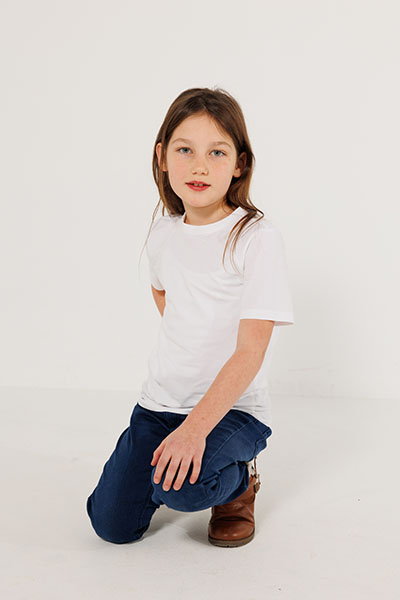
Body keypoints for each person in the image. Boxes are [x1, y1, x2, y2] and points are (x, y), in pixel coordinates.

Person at [86, 87, 295, 548]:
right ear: (162, 156)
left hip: (233, 412)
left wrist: (195, 431)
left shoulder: (256, 237)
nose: (199, 166)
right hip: (160, 405)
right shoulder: (163, 233)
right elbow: (165, 295)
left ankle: (238, 484)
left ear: (239, 163)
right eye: (185, 150)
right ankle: (162, 471)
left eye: (216, 152)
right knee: (111, 526)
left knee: (181, 489)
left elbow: (251, 350)